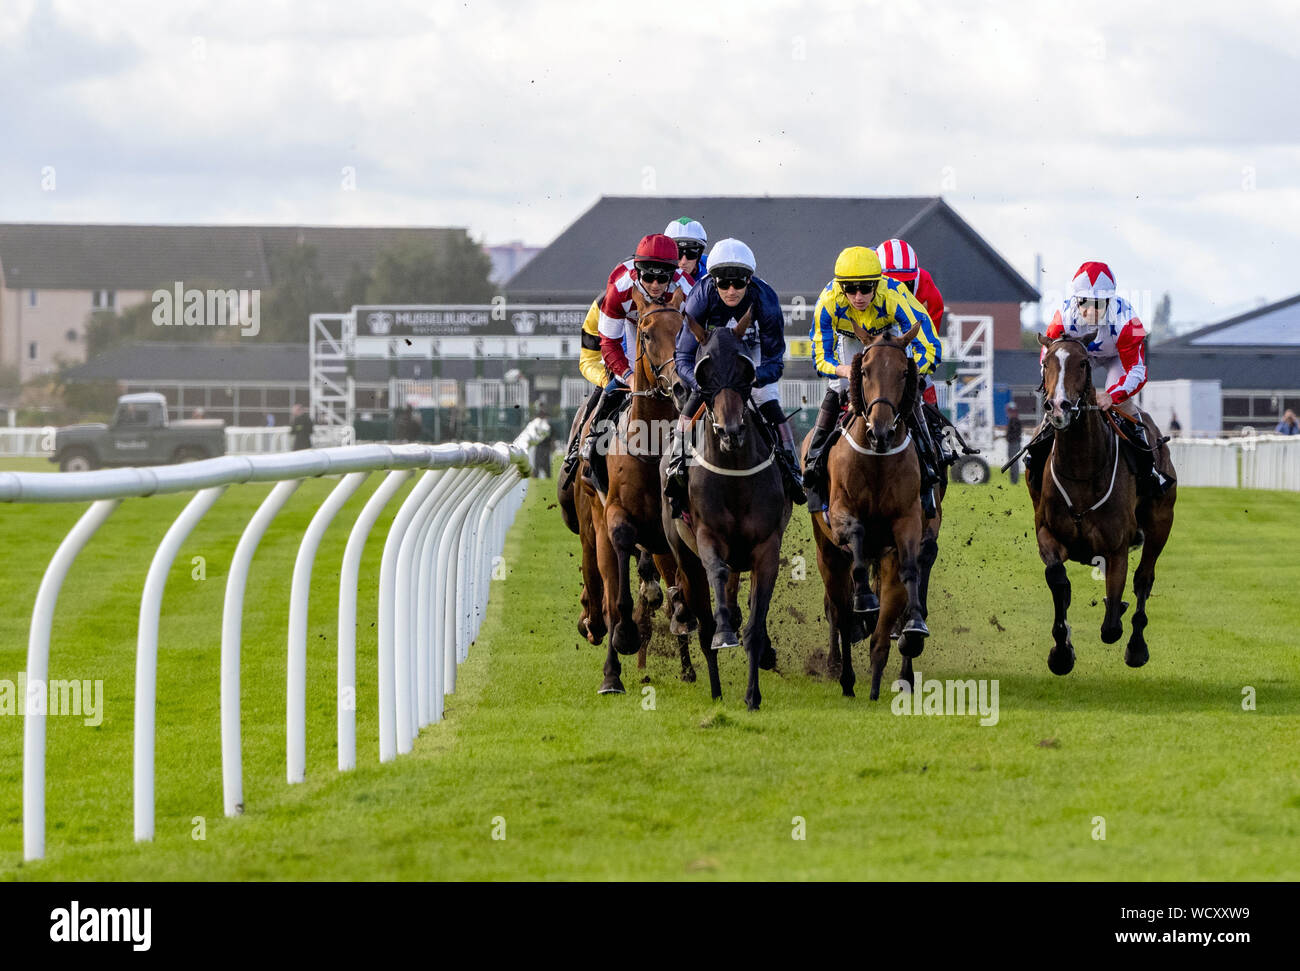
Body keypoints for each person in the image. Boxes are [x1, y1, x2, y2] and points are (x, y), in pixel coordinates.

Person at [663, 238, 805, 516]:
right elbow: (683, 358)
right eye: (723, 284)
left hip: (751, 353)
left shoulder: (766, 299)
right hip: (713, 355)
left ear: (749, 280)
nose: (730, 290)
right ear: (712, 280)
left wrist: (751, 381)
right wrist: (703, 386)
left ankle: (791, 464)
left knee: (767, 398)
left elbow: (775, 362)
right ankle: (676, 463)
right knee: (691, 405)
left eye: (738, 283)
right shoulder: (700, 297)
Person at [802, 246, 944, 516]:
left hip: (889, 336)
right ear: (840, 287)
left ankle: (928, 464)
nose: (858, 297)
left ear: (877, 284)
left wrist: (906, 374)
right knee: (839, 388)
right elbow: (821, 357)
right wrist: (845, 371)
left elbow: (931, 346)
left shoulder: (894, 295)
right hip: (851, 341)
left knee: (901, 391)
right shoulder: (828, 301)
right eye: (851, 289)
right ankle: (814, 464)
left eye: (866, 289)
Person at [1027, 261, 1173, 497]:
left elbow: (1137, 371)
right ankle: (1035, 458)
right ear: (1076, 300)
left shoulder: (1129, 322)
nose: (1090, 311)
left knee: (1121, 407)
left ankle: (1150, 469)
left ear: (1109, 300)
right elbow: (1048, 358)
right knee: (1055, 407)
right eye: (1084, 302)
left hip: (1117, 359)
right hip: (1079, 357)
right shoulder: (1062, 317)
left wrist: (1112, 395)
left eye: (1098, 304)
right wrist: (1053, 389)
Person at [578, 233, 694, 493]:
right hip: (631, 330)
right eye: (648, 277)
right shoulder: (619, 287)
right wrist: (629, 377)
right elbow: (608, 342)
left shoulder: (686, 290)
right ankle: (590, 441)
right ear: (637, 272)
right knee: (615, 386)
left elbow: (695, 339)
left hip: (668, 334)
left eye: (662, 278)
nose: (655, 284)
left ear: (673, 276)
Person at [877, 237, 956, 466]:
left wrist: (915, 366)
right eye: (892, 280)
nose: (900, 287)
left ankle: (940, 439)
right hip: (876, 344)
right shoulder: (867, 285)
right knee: (842, 388)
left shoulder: (927, 288)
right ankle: (817, 453)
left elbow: (928, 337)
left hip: (909, 345)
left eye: (906, 282)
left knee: (926, 384)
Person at [663, 217, 708, 283]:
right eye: (678, 254)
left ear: (700, 255)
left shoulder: (711, 270)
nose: (683, 262)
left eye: (691, 254)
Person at [1004, 402, 1023, 485]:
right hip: (1014, 443)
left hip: (1014, 444)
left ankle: (1014, 480)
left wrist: (1008, 437)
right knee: (1013, 463)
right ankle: (1014, 480)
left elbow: (1014, 433)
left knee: (1013, 463)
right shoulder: (1015, 420)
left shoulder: (1014, 420)